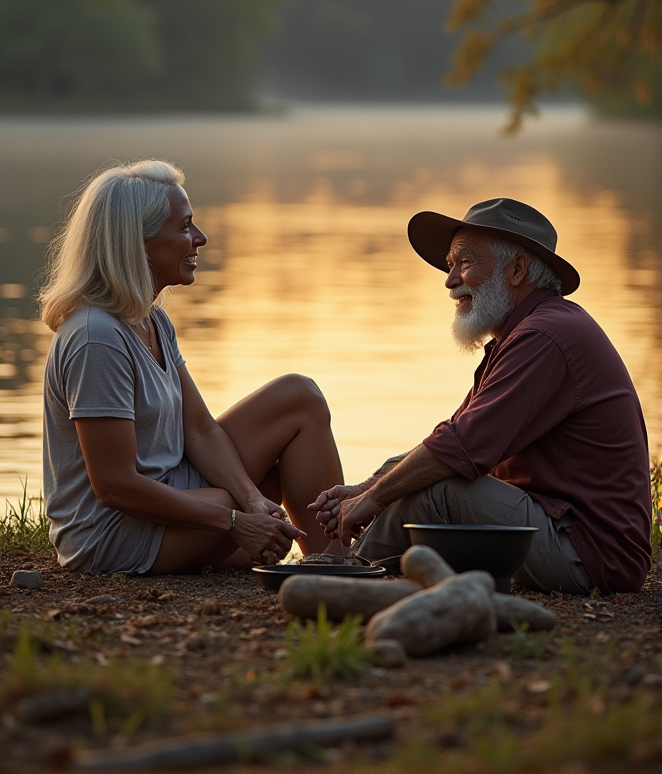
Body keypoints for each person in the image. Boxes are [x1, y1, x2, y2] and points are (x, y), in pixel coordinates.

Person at [309, 197, 652, 595]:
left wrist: (372, 500)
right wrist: (366, 488)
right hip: (556, 530)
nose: (450, 279)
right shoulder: (526, 333)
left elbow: (459, 450)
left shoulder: (545, 336)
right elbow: (451, 438)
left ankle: (345, 577)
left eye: (464, 262)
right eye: (450, 265)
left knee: (437, 488)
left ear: (518, 269)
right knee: (405, 468)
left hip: (591, 555)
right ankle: (350, 569)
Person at [41, 160, 347, 575]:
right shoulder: (96, 337)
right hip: (112, 533)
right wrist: (237, 520)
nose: (200, 238)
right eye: (185, 227)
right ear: (139, 242)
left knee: (299, 396)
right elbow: (115, 486)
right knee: (237, 500)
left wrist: (254, 501)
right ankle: (306, 564)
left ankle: (335, 563)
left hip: (172, 495)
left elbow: (200, 430)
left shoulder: (153, 320)